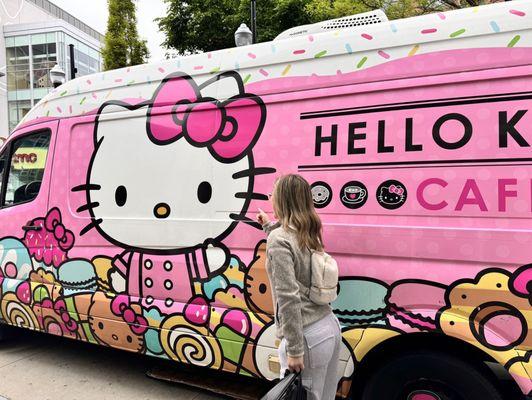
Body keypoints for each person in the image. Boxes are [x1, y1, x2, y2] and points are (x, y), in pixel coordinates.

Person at [256, 174, 342, 400]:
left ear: (282, 199)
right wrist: (268, 226)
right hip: (328, 327)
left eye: (272, 195)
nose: (270, 199)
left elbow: (288, 297)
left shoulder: (279, 239)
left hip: (306, 337)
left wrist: (294, 350)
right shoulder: (310, 230)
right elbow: (290, 245)